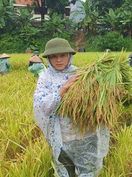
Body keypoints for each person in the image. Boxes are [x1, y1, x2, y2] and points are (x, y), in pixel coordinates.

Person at [33, 38, 110, 176]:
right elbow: (42, 106)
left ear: (69, 56)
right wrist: (64, 87)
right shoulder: (45, 78)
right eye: (54, 56)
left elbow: (97, 101)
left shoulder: (81, 74)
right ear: (48, 59)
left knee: (88, 171)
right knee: (65, 172)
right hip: (62, 138)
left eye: (62, 55)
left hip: (86, 135)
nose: (59, 60)